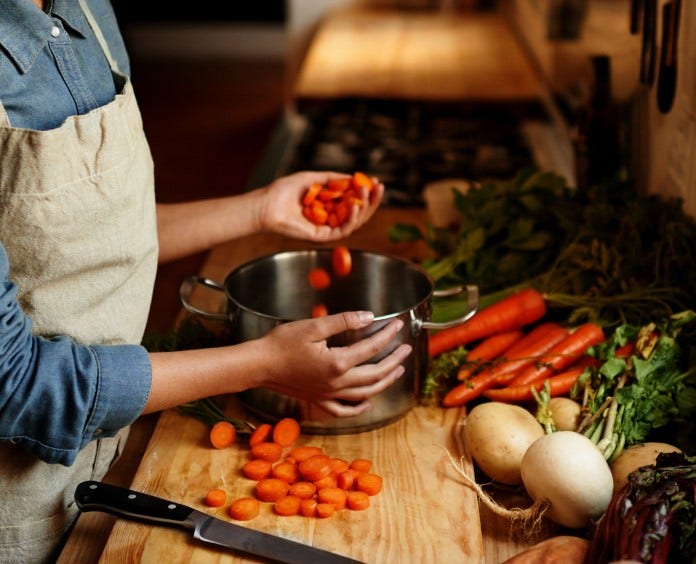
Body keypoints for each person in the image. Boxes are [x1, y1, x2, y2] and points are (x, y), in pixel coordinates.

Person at [0, 1, 412, 562]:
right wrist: (262, 363)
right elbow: (19, 386)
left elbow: (93, 241)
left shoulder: (85, 9)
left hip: (105, 464)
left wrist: (261, 209)